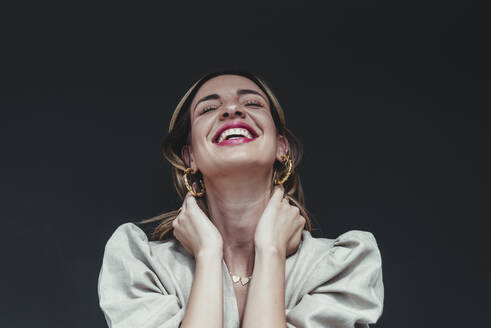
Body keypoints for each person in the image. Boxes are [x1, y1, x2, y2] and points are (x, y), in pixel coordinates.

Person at [97, 70, 384, 328]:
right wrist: (208, 253)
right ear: (190, 157)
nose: (231, 110)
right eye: (209, 108)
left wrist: (271, 251)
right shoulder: (143, 268)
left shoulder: (340, 268)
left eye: (252, 104)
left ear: (281, 147)